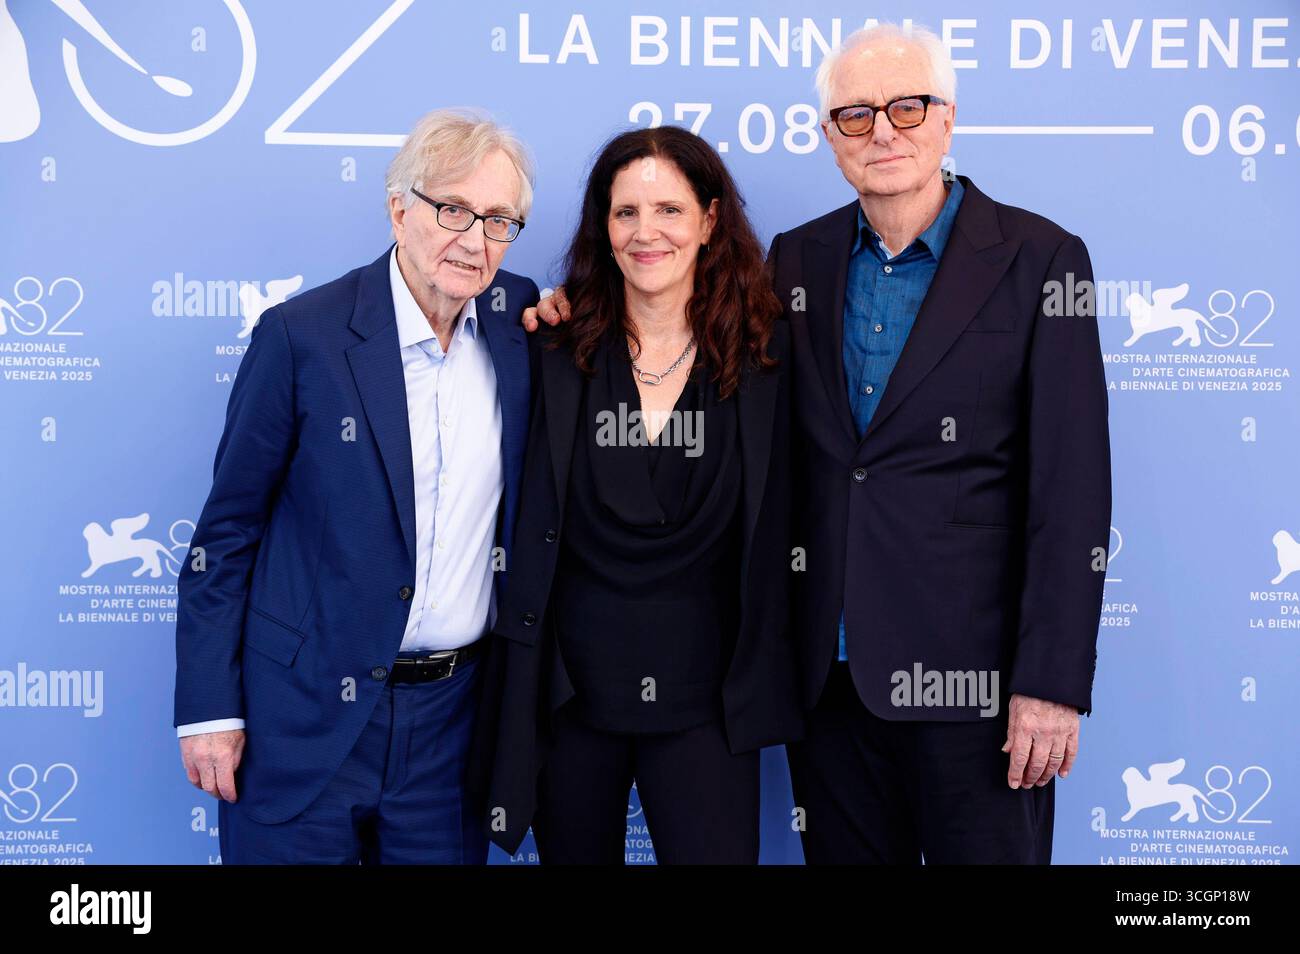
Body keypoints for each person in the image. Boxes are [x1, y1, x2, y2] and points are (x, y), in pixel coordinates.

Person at [527, 23, 1111, 864]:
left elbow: (1073, 488)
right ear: (829, 136)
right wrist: (565, 314)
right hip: (826, 683)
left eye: (907, 109)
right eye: (855, 114)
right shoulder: (797, 263)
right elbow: (678, 330)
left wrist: (1049, 685)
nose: (883, 132)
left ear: (948, 119)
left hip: (976, 691)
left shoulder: (1040, 259)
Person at [174, 108, 539, 864]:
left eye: (499, 220)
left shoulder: (520, 323)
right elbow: (226, 535)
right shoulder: (301, 337)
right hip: (302, 719)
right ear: (399, 207)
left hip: (453, 731)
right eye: (454, 210)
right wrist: (210, 706)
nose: (474, 240)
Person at [468, 126, 802, 864]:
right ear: (603, 225)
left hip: (709, 706)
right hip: (569, 698)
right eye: (625, 213)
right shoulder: (550, 345)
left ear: (710, 221)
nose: (646, 232)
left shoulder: (770, 355)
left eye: (670, 211)